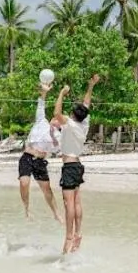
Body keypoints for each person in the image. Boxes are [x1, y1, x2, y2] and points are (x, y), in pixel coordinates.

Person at [53, 73, 99, 254]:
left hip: (70, 167)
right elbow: (86, 103)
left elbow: (56, 114)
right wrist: (91, 86)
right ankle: (78, 233)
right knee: (77, 202)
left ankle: (69, 237)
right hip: (77, 166)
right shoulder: (84, 122)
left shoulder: (71, 124)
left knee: (68, 204)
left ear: (72, 115)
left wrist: (62, 94)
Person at [18, 81, 61, 223]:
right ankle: (26, 209)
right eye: (55, 117)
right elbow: (41, 103)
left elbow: (55, 149)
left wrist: (53, 135)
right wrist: (45, 91)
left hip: (40, 161)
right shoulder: (41, 121)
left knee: (47, 190)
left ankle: (56, 213)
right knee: (24, 183)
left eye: (59, 119)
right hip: (27, 157)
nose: (56, 119)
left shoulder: (59, 135)